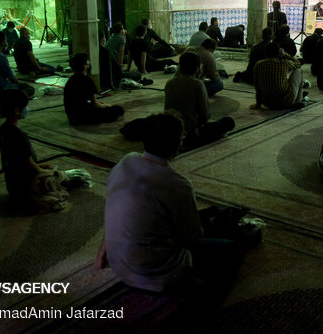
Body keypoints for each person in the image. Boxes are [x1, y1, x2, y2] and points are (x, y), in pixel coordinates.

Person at [94, 112, 245, 296]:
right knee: (234, 250)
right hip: (156, 275)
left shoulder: (124, 162)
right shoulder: (177, 184)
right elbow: (192, 237)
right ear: (178, 144)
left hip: (119, 267)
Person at [0, 88, 66, 212]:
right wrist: (44, 172)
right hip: (26, 185)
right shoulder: (18, 135)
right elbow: (28, 163)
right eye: (26, 106)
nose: (28, 109)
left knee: (49, 170)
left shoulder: (3, 129)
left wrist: (41, 166)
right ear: (18, 110)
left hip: (13, 185)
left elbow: (18, 160)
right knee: (60, 177)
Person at [165, 52, 235, 147]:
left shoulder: (169, 83)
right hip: (190, 132)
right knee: (228, 122)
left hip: (170, 130)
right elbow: (205, 114)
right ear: (197, 69)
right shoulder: (198, 84)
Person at [64, 53, 124, 125]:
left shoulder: (70, 80)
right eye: (87, 61)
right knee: (118, 109)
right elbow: (95, 104)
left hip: (72, 117)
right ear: (84, 66)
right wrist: (107, 106)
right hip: (83, 118)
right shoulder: (87, 80)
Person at [0, 32, 34, 100]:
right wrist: (19, 83)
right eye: (6, 40)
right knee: (30, 89)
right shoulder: (1, 57)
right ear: (3, 43)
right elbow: (10, 76)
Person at [251, 42, 304, 110]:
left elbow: (257, 86)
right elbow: (298, 63)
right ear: (279, 52)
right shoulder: (284, 63)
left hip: (267, 103)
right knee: (298, 71)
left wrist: (258, 104)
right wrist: (285, 54)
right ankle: (297, 101)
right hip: (285, 101)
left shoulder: (258, 64)